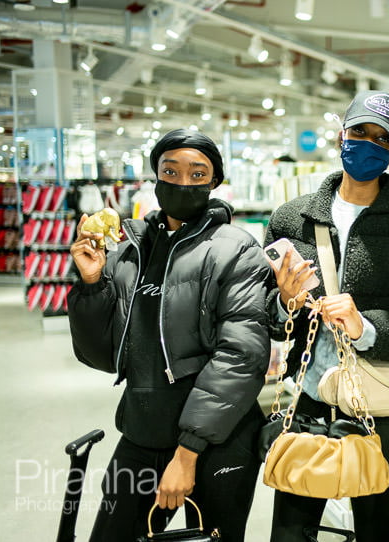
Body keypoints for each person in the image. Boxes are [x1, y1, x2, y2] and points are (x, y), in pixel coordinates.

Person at [264, 90, 389, 541]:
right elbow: (265, 315)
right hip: (310, 391)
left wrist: (365, 326)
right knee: (293, 518)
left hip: (381, 397)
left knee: (372, 520)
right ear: (340, 136)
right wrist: (285, 303)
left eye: (380, 139)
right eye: (359, 132)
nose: (367, 145)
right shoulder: (292, 219)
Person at [67, 129, 270, 542]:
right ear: (155, 177)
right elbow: (103, 355)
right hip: (142, 429)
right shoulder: (130, 249)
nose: (183, 182)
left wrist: (188, 451)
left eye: (198, 174)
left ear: (215, 182)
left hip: (217, 439)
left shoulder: (237, 249)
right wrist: (91, 285)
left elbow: (240, 356)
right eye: (170, 171)